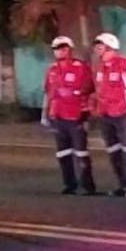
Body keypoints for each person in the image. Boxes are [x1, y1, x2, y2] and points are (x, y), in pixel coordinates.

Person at [92, 32, 126, 197]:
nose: (96, 49)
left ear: (109, 47)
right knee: (113, 151)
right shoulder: (99, 66)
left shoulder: (124, 63)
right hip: (106, 115)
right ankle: (122, 185)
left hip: (123, 113)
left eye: (100, 46)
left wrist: (125, 100)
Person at [43, 36, 96, 195]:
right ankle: (69, 184)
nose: (60, 51)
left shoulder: (80, 67)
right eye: (57, 48)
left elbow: (89, 88)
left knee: (81, 152)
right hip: (58, 116)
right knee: (62, 152)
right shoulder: (52, 69)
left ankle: (87, 186)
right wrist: (46, 113)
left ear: (70, 50)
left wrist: (85, 112)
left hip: (76, 116)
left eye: (64, 48)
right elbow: (48, 93)